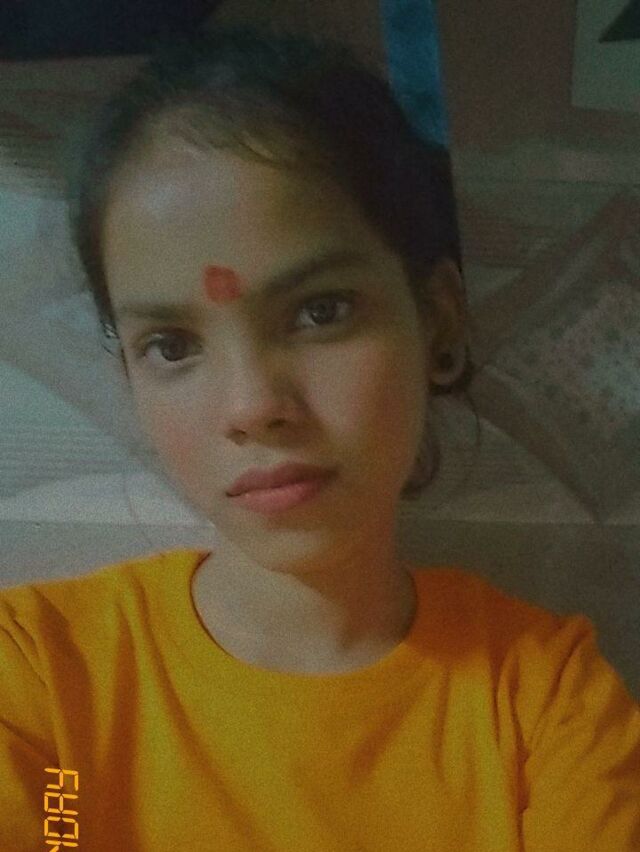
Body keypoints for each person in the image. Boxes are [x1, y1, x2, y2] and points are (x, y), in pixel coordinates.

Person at [1, 23, 638, 852]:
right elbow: (54, 833)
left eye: (319, 312)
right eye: (172, 347)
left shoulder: (546, 707)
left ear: (439, 322)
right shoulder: (47, 692)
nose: (252, 406)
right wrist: (67, 832)